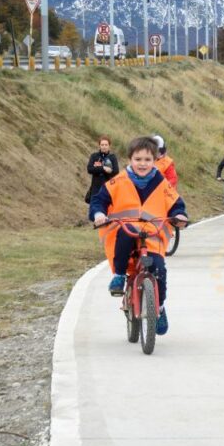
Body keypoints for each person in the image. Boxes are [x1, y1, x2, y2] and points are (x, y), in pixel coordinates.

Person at [90, 137, 189, 335]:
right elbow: (99, 200)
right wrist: (99, 214)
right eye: (138, 159)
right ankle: (119, 275)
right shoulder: (118, 181)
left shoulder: (161, 182)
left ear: (155, 161)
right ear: (129, 160)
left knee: (159, 269)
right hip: (126, 229)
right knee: (125, 240)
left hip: (152, 233)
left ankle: (159, 308)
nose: (142, 164)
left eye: (147, 159)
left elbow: (176, 203)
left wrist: (180, 215)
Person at [85, 136, 120, 204]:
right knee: (93, 212)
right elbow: (90, 169)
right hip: (95, 190)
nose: (104, 146)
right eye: (102, 145)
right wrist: (103, 168)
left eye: (106, 145)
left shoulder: (112, 157)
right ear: (99, 146)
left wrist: (109, 171)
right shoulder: (94, 156)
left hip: (108, 190)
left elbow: (116, 172)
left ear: (109, 146)